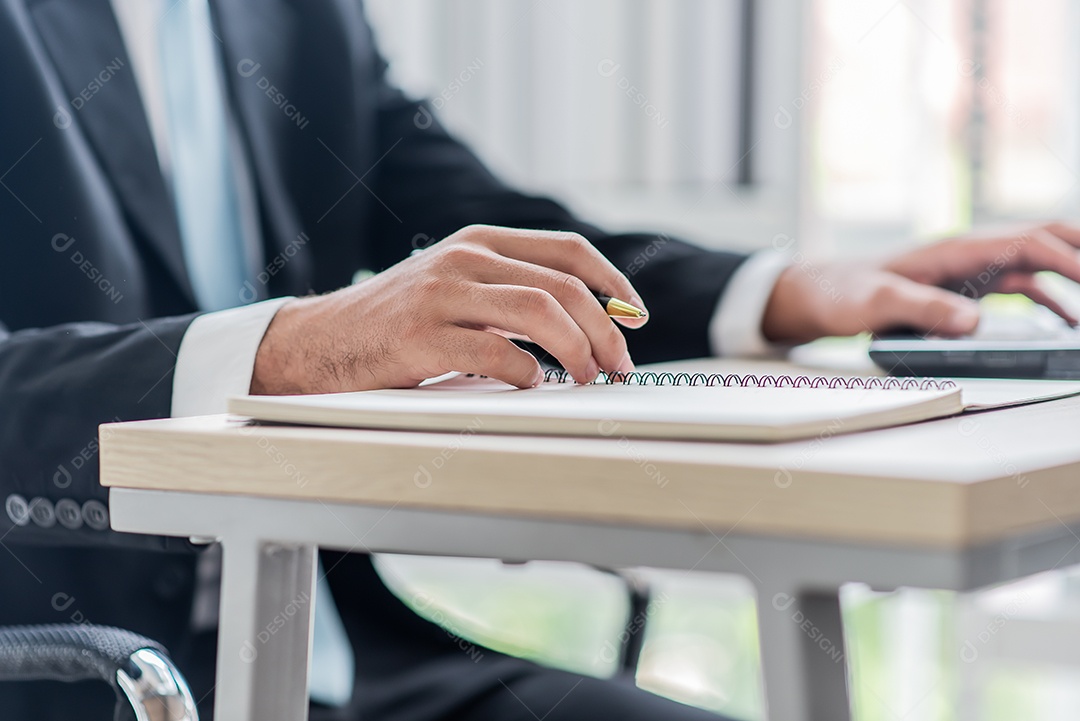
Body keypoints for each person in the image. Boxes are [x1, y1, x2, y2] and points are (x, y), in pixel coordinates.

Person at [1, 0, 1079, 718]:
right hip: (74, 670)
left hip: (352, 666)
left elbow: (484, 234)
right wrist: (290, 348)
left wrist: (794, 291)